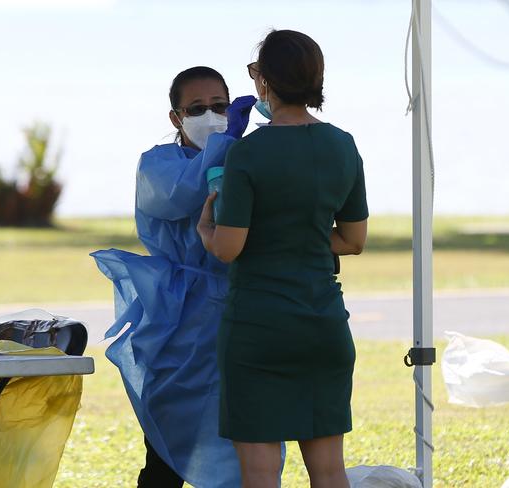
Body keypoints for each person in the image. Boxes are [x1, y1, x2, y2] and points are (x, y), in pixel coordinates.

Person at [198, 30, 369, 488]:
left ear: (266, 83)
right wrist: (303, 236)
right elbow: (353, 239)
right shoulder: (343, 145)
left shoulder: (248, 153)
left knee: (260, 472)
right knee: (330, 470)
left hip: (259, 328)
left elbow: (230, 247)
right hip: (323, 323)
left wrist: (206, 231)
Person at [91, 66, 256, 487]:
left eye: (219, 106)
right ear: (175, 118)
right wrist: (225, 142)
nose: (211, 115)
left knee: (244, 447)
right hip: (177, 318)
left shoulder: (243, 155)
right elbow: (185, 192)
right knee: (167, 451)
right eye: (196, 108)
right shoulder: (158, 165)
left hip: (239, 311)